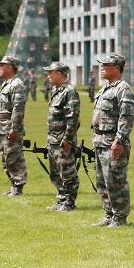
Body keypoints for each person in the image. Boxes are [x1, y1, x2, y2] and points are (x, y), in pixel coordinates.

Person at [90, 54, 134, 228]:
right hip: (100, 141)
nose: (102, 68)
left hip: (113, 142)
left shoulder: (123, 89)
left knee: (115, 181)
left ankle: (120, 217)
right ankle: (109, 214)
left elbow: (126, 118)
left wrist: (119, 141)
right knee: (102, 181)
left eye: (106, 65)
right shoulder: (105, 89)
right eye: (102, 65)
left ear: (117, 68)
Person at [44, 61, 81, 212]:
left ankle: (69, 202)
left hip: (63, 140)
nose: (48, 76)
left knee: (68, 172)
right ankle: (61, 199)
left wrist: (68, 139)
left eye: (50, 72)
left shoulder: (69, 91)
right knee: (56, 173)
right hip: (53, 140)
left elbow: (73, 118)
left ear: (59, 74)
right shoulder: (56, 90)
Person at [0, 55, 28, 196]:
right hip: (2, 128)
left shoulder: (17, 84)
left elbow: (18, 108)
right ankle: (14, 185)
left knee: (14, 158)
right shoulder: (7, 83)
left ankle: (18, 187)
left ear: (9, 67)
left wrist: (14, 128)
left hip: (10, 128)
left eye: (2, 65)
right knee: (6, 158)